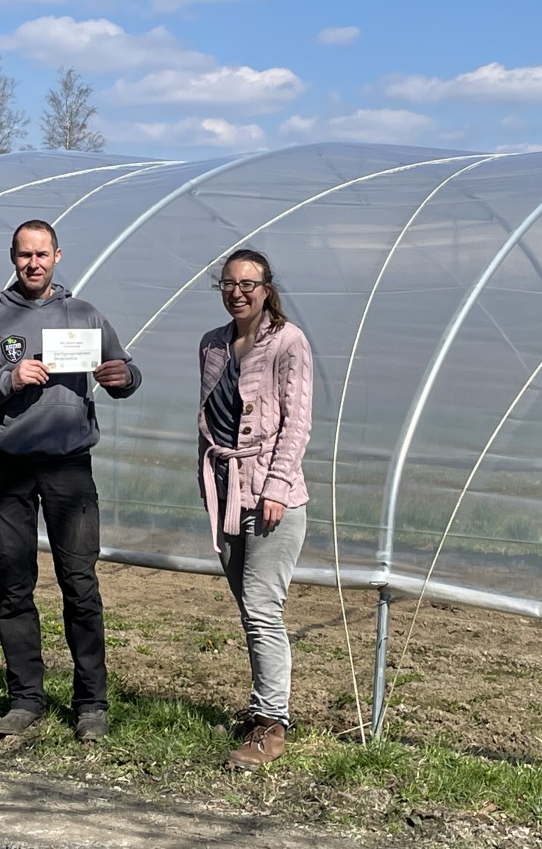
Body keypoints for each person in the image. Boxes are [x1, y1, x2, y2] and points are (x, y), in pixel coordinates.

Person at [0, 219, 141, 742]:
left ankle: (90, 704)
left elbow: (123, 371)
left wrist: (125, 377)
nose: (33, 264)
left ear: (58, 256)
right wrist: (9, 379)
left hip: (69, 467)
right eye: (23, 255)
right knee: (14, 586)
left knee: (80, 586)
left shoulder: (84, 314)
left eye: (42, 254)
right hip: (8, 467)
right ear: (12, 257)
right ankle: (25, 698)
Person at [198, 248, 312, 770]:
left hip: (272, 498)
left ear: (267, 288)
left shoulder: (287, 342)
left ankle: (271, 723)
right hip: (227, 495)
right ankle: (262, 710)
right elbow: (209, 423)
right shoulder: (213, 345)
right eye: (228, 283)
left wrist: (276, 487)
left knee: (263, 609)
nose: (237, 292)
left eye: (248, 283)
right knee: (250, 611)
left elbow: (296, 422)